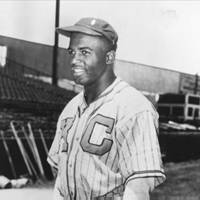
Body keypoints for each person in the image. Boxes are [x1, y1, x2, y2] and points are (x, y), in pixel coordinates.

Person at [48, 17, 166, 200]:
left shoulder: (134, 107)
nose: (74, 60)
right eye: (72, 52)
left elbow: (138, 189)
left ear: (109, 57)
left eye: (84, 52)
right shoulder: (70, 109)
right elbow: (60, 181)